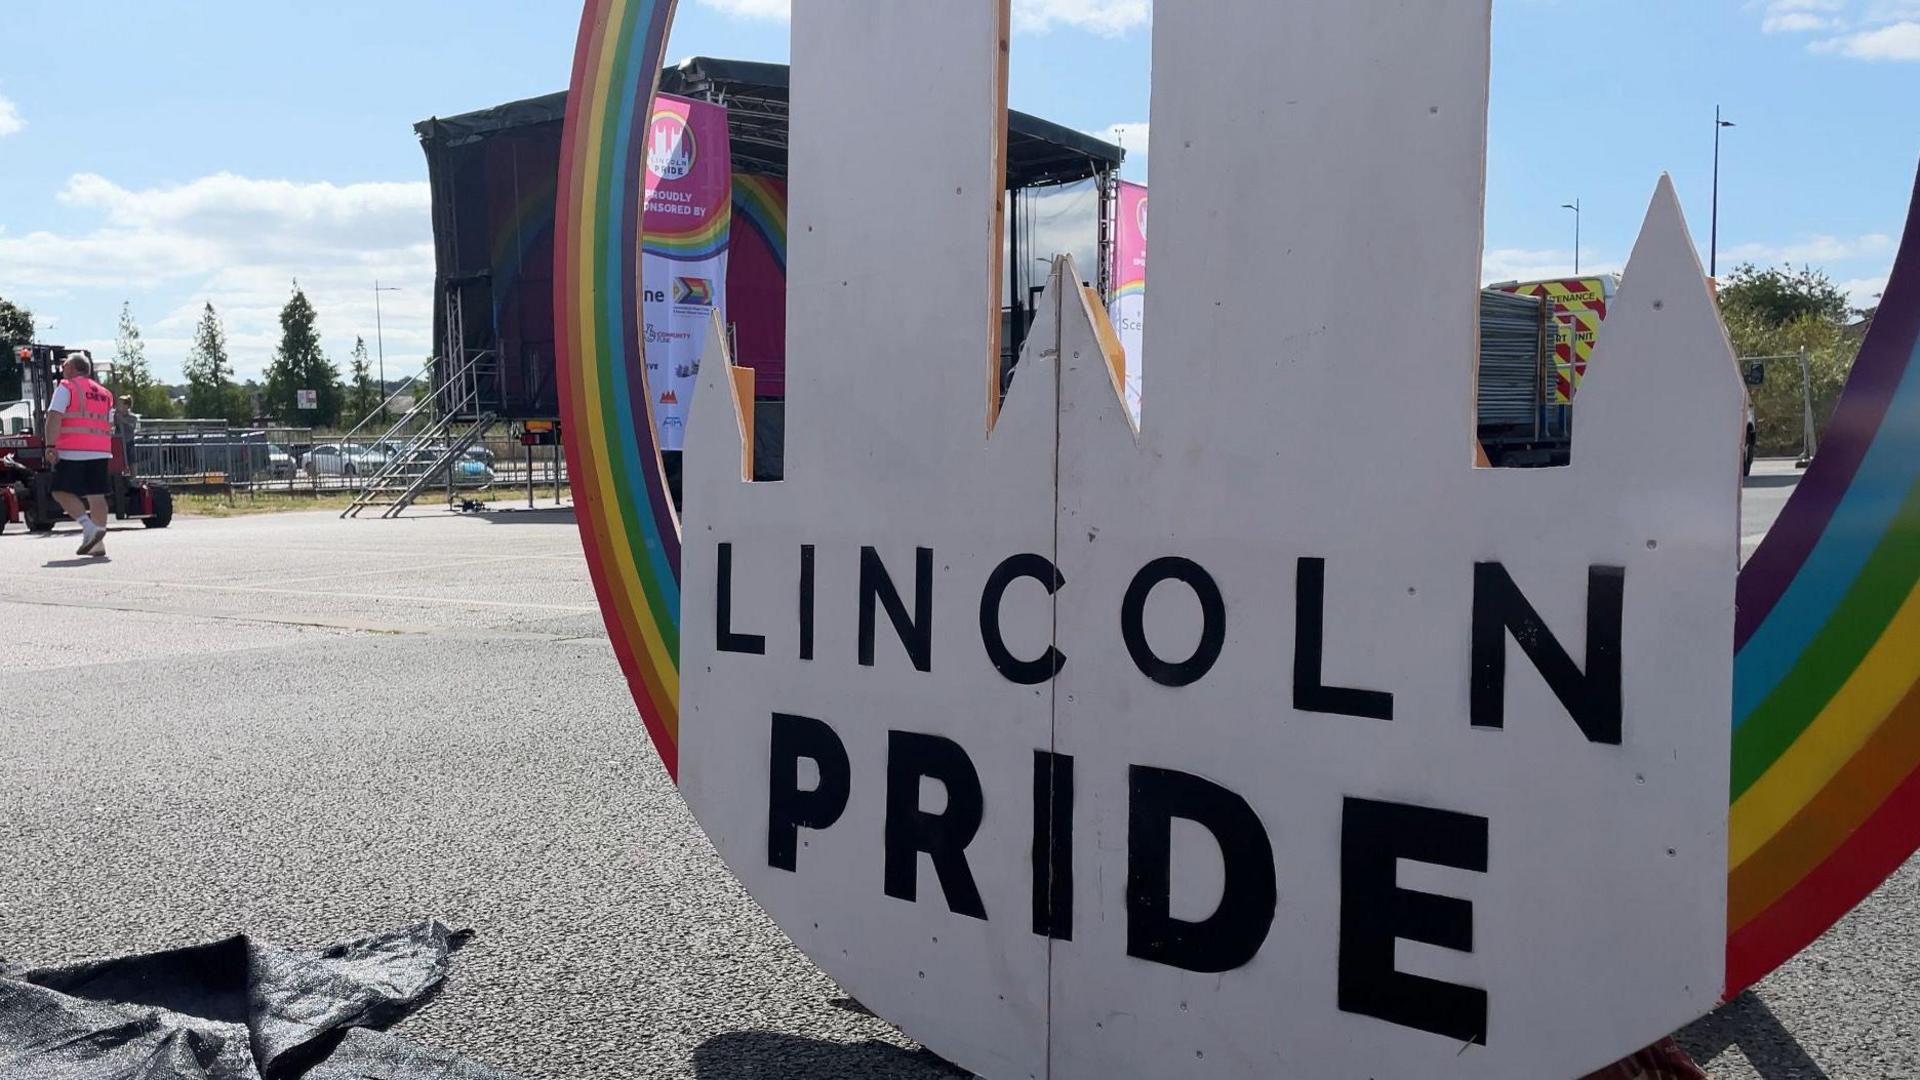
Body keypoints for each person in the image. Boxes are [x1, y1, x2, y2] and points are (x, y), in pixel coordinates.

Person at [43, 351, 115, 558]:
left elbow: (54, 417)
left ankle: (88, 527)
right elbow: (108, 423)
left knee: (59, 491)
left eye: (64, 366)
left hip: (73, 449)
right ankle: (98, 545)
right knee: (96, 496)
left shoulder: (67, 387)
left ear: (72, 368)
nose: (62, 370)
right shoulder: (104, 393)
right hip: (100, 450)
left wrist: (50, 445)